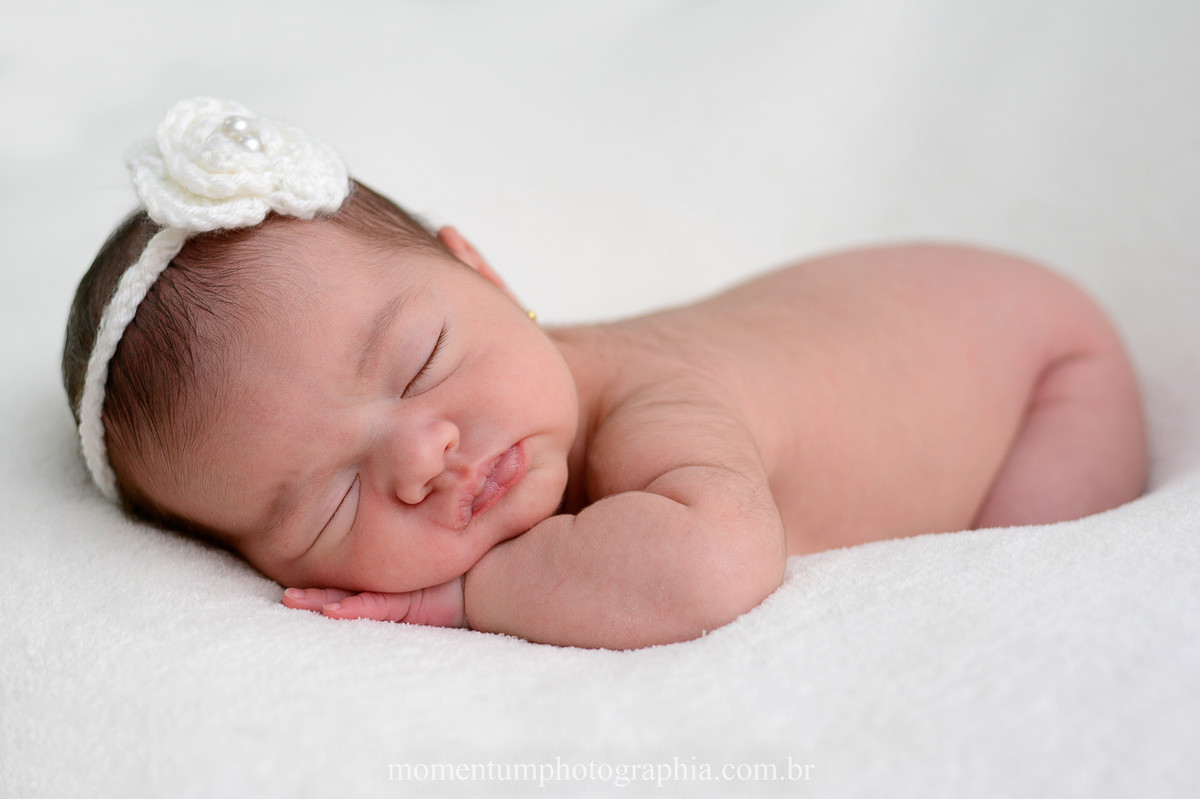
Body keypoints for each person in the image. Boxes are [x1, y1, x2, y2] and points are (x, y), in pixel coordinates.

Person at [63, 98, 1148, 650]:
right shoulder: (508, 406)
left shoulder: (651, 403)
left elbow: (714, 564)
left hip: (1038, 367)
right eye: (331, 498)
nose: (422, 455)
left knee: (1028, 579)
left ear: (479, 271)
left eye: (422, 359)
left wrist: (464, 595)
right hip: (952, 320)